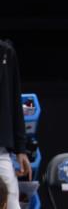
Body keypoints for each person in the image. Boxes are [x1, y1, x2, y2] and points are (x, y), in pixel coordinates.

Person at [0, 40, 31, 209]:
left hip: (1, 151)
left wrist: (21, 149)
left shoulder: (6, 52)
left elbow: (14, 101)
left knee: (11, 201)